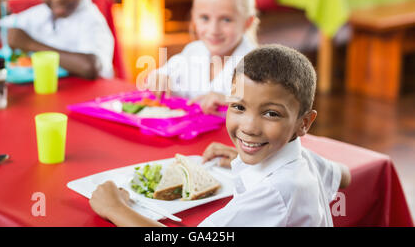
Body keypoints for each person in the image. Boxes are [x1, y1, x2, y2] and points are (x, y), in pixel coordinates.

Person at [89, 44, 352, 227]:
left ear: (304, 123)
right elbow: (344, 175)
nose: (249, 126)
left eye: (271, 114)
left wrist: (115, 208)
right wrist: (247, 153)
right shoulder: (304, 160)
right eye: (238, 107)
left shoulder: (277, 192)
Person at [142, 0, 259, 114]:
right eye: (205, 18)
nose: (214, 30)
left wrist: (233, 103)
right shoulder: (193, 51)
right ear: (194, 18)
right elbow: (166, 73)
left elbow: (267, 111)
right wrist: (159, 78)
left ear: (247, 23)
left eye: (226, 19)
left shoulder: (258, 67)